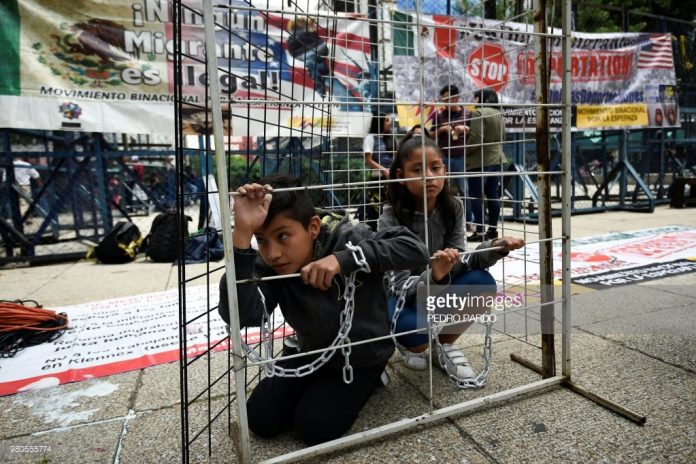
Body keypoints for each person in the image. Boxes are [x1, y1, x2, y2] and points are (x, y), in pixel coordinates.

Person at [218, 174, 429, 444]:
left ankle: (373, 378)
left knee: (313, 427)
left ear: (313, 227)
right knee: (260, 418)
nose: (273, 253)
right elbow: (245, 315)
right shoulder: (267, 265)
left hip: (360, 355)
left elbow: (415, 249)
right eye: (262, 240)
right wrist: (241, 236)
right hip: (311, 349)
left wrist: (344, 260)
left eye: (283, 236)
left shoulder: (349, 238)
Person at [378, 136, 524, 383]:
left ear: (444, 170)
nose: (429, 176)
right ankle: (411, 345)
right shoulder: (390, 218)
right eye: (417, 170)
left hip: (438, 290)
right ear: (401, 176)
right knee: (414, 336)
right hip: (404, 300)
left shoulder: (453, 207)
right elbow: (396, 286)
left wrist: (495, 247)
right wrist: (434, 275)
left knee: (482, 283)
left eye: (435, 168)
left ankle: (443, 345)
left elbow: (463, 261)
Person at [430, 85, 475, 232]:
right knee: (441, 189)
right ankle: (443, 220)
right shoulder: (439, 115)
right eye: (443, 100)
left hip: (462, 157)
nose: (445, 102)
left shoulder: (468, 114)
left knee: (464, 190)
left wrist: (466, 129)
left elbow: (476, 133)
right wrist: (441, 130)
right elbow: (430, 135)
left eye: (447, 99)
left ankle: (468, 221)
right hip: (443, 158)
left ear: (455, 98)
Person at [465, 88, 507, 242]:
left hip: (479, 160)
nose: (474, 101)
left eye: (475, 98)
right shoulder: (499, 113)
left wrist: (465, 150)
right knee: (493, 195)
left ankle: (480, 231)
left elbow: (477, 138)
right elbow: (503, 136)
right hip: (497, 158)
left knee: (476, 196)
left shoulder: (479, 113)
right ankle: (493, 230)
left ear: (481, 98)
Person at [358, 113, 394, 230]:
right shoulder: (371, 137)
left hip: (392, 178)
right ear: (379, 122)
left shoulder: (390, 138)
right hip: (378, 178)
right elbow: (368, 160)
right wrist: (384, 170)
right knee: (376, 208)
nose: (390, 122)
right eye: (387, 120)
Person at [287, 18, 330, 97]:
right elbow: (295, 52)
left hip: (317, 59)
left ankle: (321, 88)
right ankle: (320, 88)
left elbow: (322, 46)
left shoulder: (310, 34)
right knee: (314, 66)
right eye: (302, 22)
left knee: (319, 71)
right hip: (312, 58)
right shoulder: (296, 37)